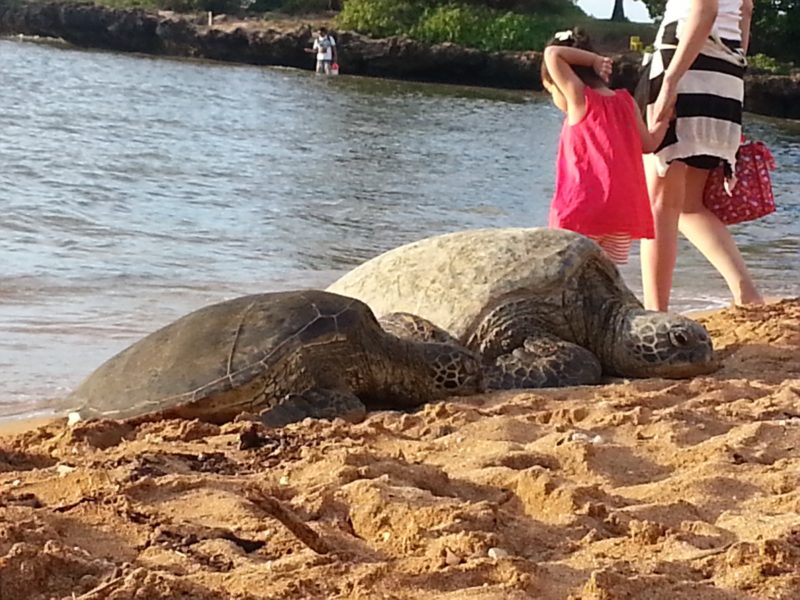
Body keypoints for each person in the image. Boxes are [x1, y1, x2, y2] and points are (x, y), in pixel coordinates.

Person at [638, 0, 762, 311]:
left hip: (685, 57)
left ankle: (657, 314)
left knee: (658, 203)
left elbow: (705, 10)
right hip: (727, 66)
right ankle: (747, 294)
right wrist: (732, 64)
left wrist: (668, 82)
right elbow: (745, 9)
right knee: (689, 205)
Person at [541, 29, 670, 265]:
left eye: (552, 90)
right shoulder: (626, 101)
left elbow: (552, 54)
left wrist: (595, 60)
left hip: (582, 211)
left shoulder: (580, 98)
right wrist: (662, 121)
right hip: (622, 215)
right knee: (605, 277)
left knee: (571, 278)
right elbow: (649, 144)